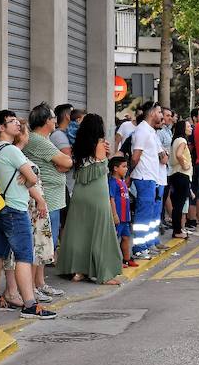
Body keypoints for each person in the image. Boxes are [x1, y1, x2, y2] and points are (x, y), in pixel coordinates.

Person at [0, 111, 53, 318]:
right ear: (1, 127)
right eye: (12, 121)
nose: (17, 124)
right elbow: (32, 177)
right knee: (25, 255)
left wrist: (26, 178)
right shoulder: (11, 151)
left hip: (1, 208)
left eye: (17, 121)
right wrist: (29, 179)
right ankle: (30, 305)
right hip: (15, 209)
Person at [56, 114, 122, 286]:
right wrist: (109, 154)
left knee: (79, 231)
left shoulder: (78, 144)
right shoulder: (100, 143)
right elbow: (101, 164)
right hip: (97, 192)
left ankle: (78, 271)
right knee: (100, 231)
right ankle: (103, 273)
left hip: (79, 191)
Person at [22, 103, 71, 297]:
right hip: (46, 199)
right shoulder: (38, 140)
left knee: (46, 245)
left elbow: (66, 163)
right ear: (44, 121)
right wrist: (61, 164)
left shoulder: (45, 139)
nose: (54, 121)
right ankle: (33, 288)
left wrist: (62, 164)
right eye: (52, 118)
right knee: (39, 243)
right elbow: (66, 161)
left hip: (52, 198)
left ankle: (40, 283)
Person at [130, 102, 168, 258]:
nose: (161, 115)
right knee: (143, 215)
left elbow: (162, 156)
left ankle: (145, 245)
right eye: (159, 112)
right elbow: (135, 157)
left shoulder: (150, 131)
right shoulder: (142, 131)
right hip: (144, 177)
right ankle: (139, 248)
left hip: (151, 178)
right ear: (152, 113)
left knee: (149, 214)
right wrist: (129, 176)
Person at [108, 157, 137, 268]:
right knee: (115, 240)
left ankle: (126, 259)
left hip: (126, 217)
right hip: (118, 217)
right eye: (123, 166)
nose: (126, 169)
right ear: (115, 168)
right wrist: (114, 214)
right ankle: (115, 262)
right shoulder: (112, 183)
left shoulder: (122, 181)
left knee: (126, 238)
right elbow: (111, 199)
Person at [168, 120, 193, 240]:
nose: (191, 128)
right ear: (182, 128)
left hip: (174, 174)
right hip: (182, 175)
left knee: (176, 205)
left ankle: (177, 229)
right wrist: (185, 165)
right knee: (179, 205)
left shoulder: (175, 140)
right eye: (188, 126)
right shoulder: (182, 140)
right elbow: (179, 155)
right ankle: (177, 231)